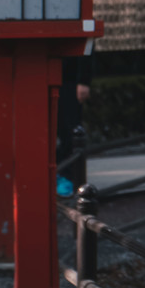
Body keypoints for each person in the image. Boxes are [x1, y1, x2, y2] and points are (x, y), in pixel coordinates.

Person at [56, 54, 92, 198]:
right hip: (50, 71)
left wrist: (83, 80)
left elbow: (87, 48)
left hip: (68, 78)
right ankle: (61, 173)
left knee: (69, 130)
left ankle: (67, 175)